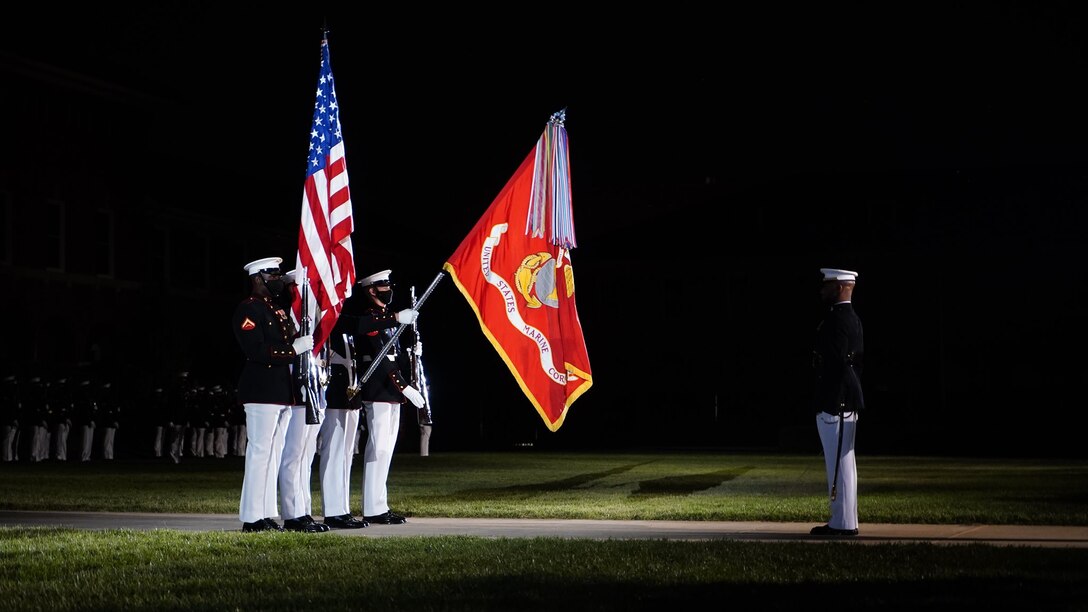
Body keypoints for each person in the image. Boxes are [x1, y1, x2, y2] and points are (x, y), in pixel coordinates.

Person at [233, 256, 312, 533]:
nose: (277, 280)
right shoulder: (249, 309)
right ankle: (252, 518)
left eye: (279, 276)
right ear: (257, 279)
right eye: (272, 276)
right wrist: (293, 350)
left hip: (280, 391)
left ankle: (265, 514)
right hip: (261, 389)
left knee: (272, 455)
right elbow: (255, 350)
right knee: (259, 453)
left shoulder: (273, 309)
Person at [346, 269, 424, 525]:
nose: (389, 289)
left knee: (387, 449)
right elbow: (380, 359)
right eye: (383, 286)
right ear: (371, 290)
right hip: (379, 389)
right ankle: (372, 507)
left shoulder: (388, 320)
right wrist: (404, 387)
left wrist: (413, 352)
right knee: (378, 448)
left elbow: (395, 356)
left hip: (391, 391)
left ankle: (380, 504)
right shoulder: (372, 318)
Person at [810, 267, 865, 537]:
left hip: (836, 402)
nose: (823, 289)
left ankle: (842, 524)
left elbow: (839, 365)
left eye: (828, 285)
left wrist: (836, 400)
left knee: (839, 465)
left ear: (841, 287)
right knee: (845, 465)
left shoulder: (837, 320)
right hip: (845, 401)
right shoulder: (851, 318)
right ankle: (846, 520)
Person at [275, 268, 329, 533]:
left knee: (306, 455)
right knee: (293, 454)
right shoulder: (287, 316)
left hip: (312, 389)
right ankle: (292, 512)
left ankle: (303, 509)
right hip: (296, 391)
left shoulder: (308, 318)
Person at [317, 289, 371, 530]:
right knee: (333, 453)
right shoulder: (329, 320)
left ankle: (342, 508)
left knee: (346, 455)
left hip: (349, 395)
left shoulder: (340, 322)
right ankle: (333, 510)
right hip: (334, 394)